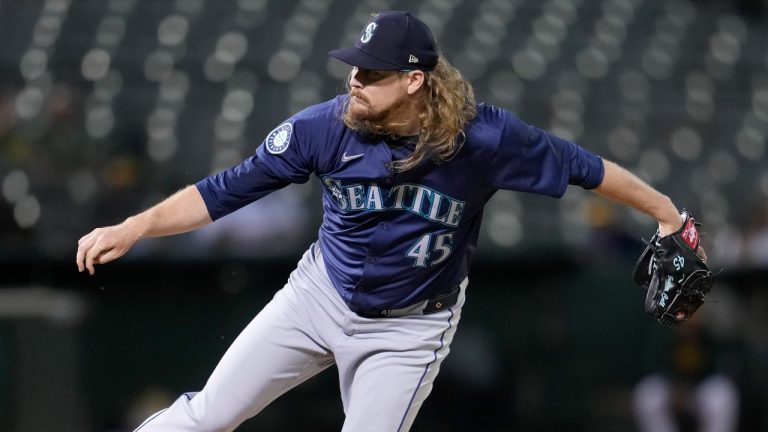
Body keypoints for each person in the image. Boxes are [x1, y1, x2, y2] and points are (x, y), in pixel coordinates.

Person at [76, 11, 699, 432]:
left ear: (413, 80)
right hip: (318, 295)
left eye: (371, 72)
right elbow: (224, 191)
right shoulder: (325, 126)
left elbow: (585, 168)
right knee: (210, 415)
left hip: (407, 331)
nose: (354, 79)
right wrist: (135, 226)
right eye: (354, 66)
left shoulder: (484, 138)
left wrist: (667, 215)